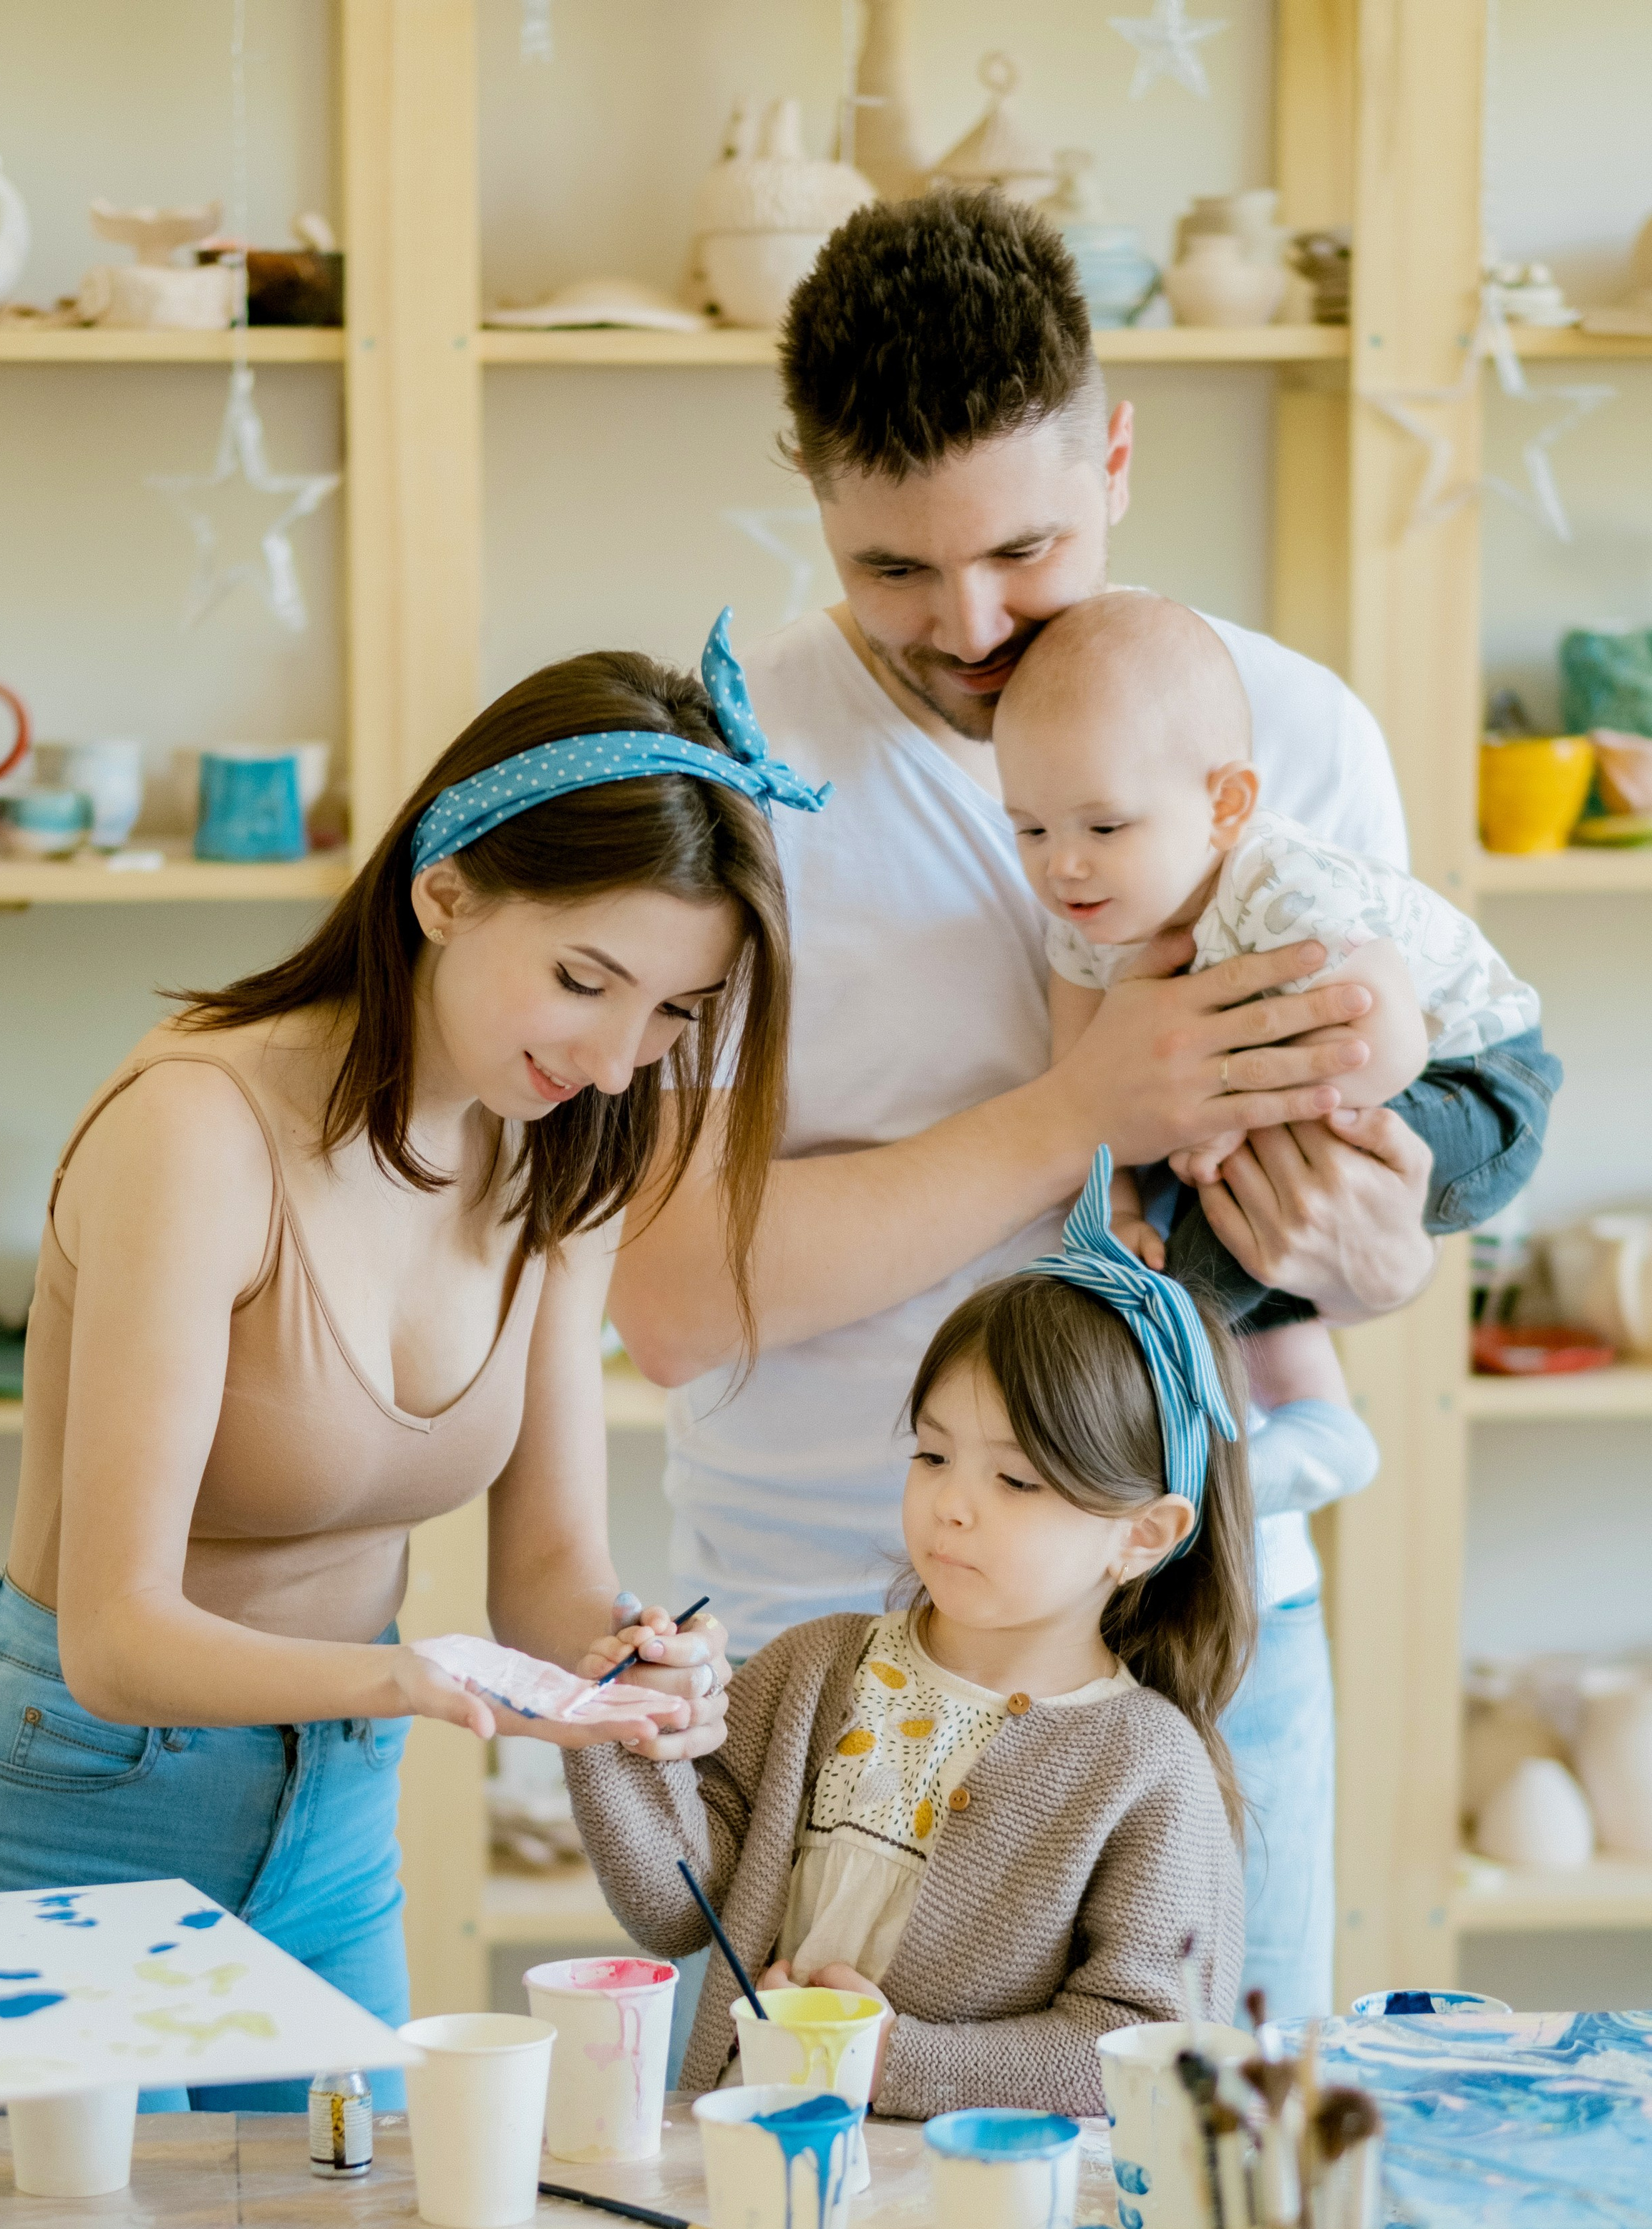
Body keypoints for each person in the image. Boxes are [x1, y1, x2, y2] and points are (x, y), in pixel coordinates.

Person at [606, 190, 1546, 2023]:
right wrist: (1077, 1107)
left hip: (1191, 1630)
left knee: (1195, 2209)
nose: (964, 626)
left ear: (1113, 454)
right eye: (890, 569)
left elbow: (1372, 1239)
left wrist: (1369, 1241)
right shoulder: (733, 767)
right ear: (810, 503)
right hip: (823, 1651)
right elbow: (668, 1298)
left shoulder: (1289, 737)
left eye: (1021, 549)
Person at [0, 617, 813, 2108]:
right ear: (441, 890)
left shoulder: (565, 1155)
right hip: (68, 1806)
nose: (615, 1056)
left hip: (334, 1825)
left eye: (671, 1014)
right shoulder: (198, 1132)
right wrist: (412, 1673)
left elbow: (549, 1573)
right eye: (585, 979)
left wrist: (627, 1666)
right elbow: (114, 1637)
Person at [565, 1155, 1249, 2118]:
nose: (951, 1506)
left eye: (1017, 1481)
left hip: (968, 2214)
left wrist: (895, 2061)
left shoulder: (1148, 1767)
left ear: (1143, 1535)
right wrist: (618, 1735)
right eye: (932, 1455)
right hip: (747, 2163)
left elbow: (1144, 2050)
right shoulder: (815, 1669)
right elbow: (679, 1908)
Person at [995, 590, 1553, 1346]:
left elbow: (1389, 1047)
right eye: (1029, 829)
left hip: (1473, 1086)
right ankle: (1291, 1402)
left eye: (1104, 826)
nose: (1062, 865)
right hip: (1338, 1105)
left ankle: (1161, 1362)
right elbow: (1078, 1092)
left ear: (1226, 805)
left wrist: (1222, 1115)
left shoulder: (1284, 893)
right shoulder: (1083, 919)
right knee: (1196, 1210)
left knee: (1217, 1226)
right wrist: (1116, 1211)